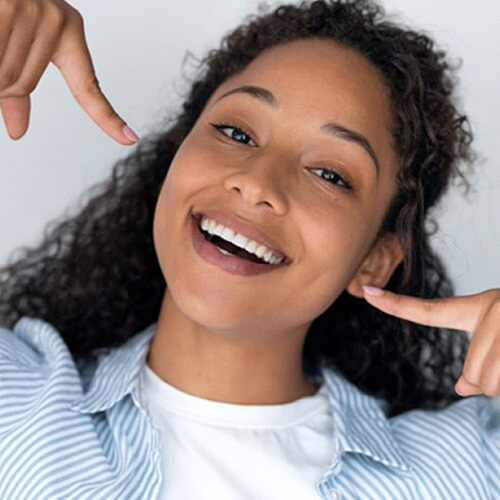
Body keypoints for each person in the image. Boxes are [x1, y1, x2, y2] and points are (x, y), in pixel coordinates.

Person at [0, 0, 499, 498]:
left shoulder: (471, 466)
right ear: (176, 156)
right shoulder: (17, 399)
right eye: (236, 132)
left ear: (373, 259)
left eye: (329, 175)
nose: (257, 183)